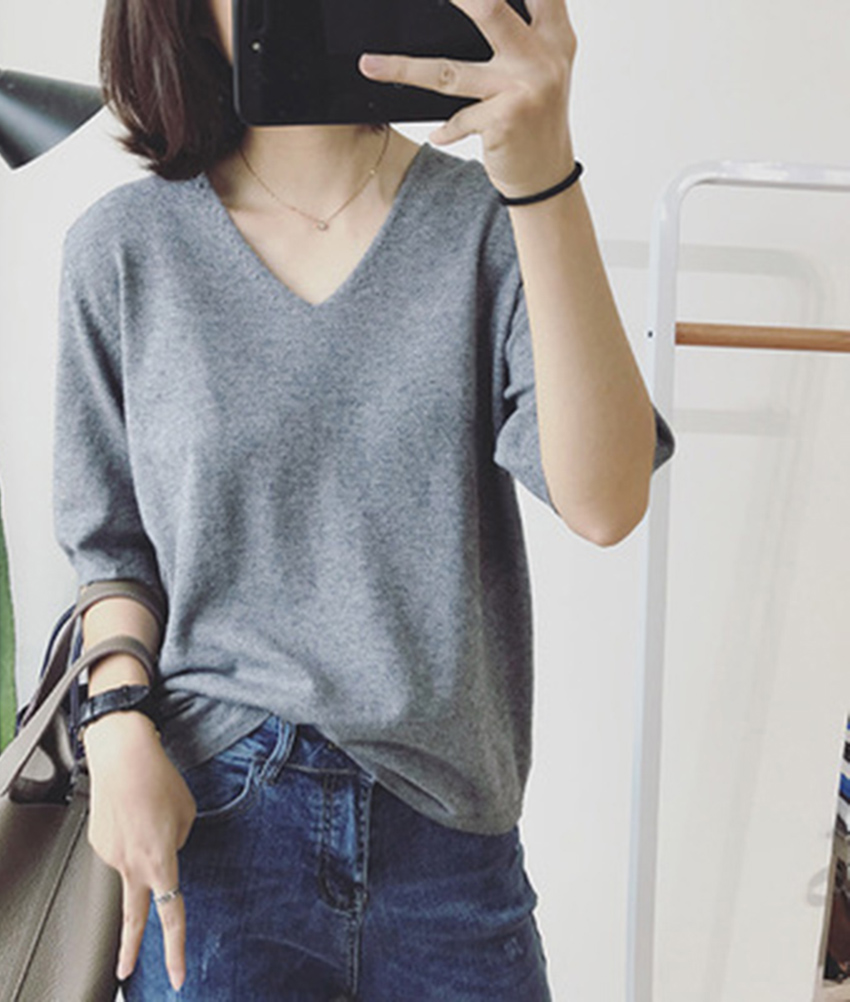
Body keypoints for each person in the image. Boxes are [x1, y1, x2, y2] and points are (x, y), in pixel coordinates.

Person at [53, 0, 675, 998]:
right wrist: (115, 722)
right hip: (214, 819)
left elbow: (606, 502)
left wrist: (544, 175)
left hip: (447, 834)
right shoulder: (123, 248)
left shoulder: (489, 222)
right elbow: (113, 553)